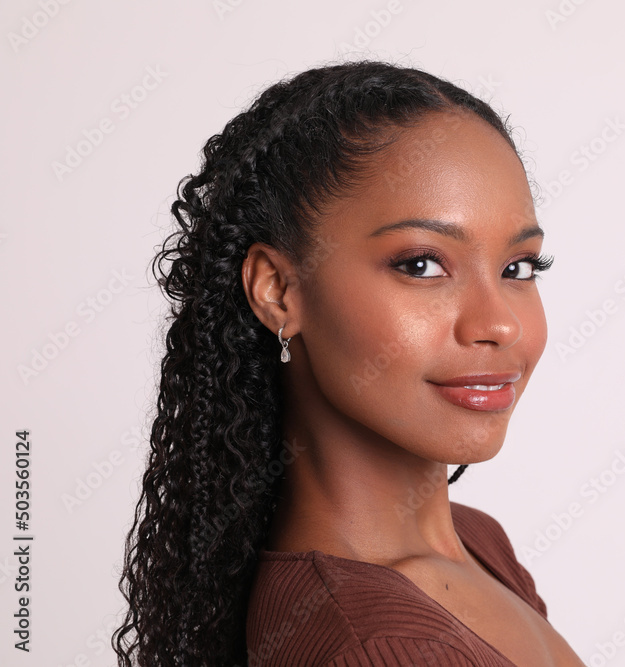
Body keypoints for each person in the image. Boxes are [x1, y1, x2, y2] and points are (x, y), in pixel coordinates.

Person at [113, 60, 585, 666]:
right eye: (421, 264)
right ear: (279, 290)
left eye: (518, 267)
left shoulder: (477, 543)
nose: (499, 324)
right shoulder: (372, 647)